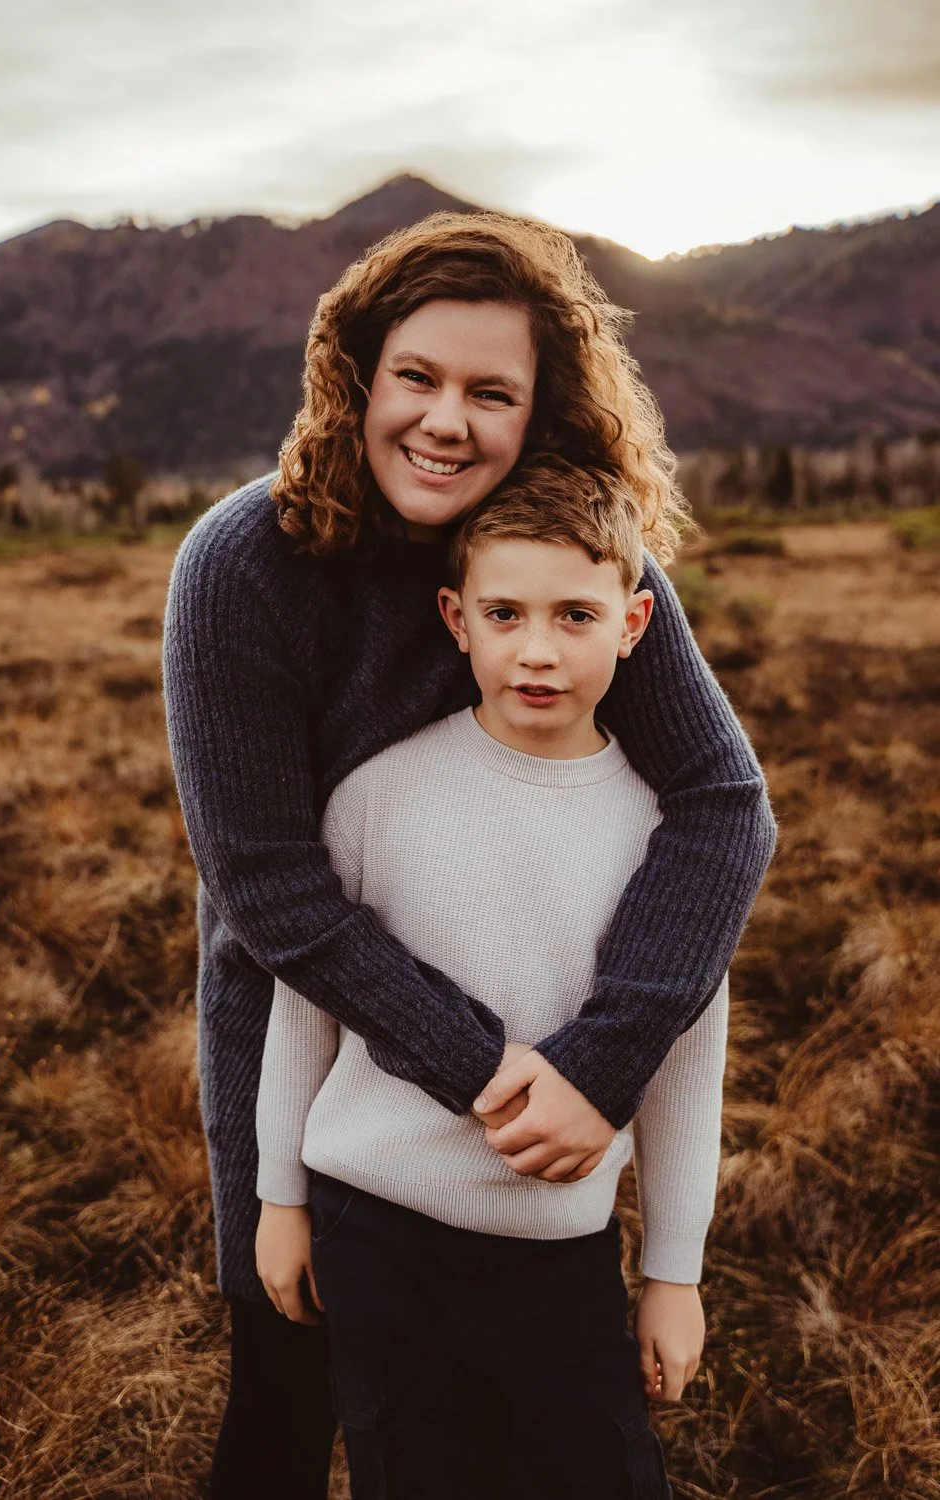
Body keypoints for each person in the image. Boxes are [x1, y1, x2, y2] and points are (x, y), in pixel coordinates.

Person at [161, 210, 776, 1498]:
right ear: (358, 379)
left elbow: (723, 802)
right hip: (318, 1051)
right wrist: (497, 1078)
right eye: (417, 379)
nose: (446, 421)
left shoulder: (565, 558)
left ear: (539, 411)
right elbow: (272, 896)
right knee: (284, 1396)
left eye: (490, 393)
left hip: (545, 1107)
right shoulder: (242, 566)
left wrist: (601, 1066)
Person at [254, 455, 729, 1499]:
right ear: (455, 617)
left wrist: (672, 1273)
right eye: (505, 613)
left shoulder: (671, 835)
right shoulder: (376, 796)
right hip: (374, 1234)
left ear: (635, 623)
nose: (537, 651)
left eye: (574, 616)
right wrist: (278, 1198)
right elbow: (307, 1006)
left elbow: (685, 1065)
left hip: (557, 1255)